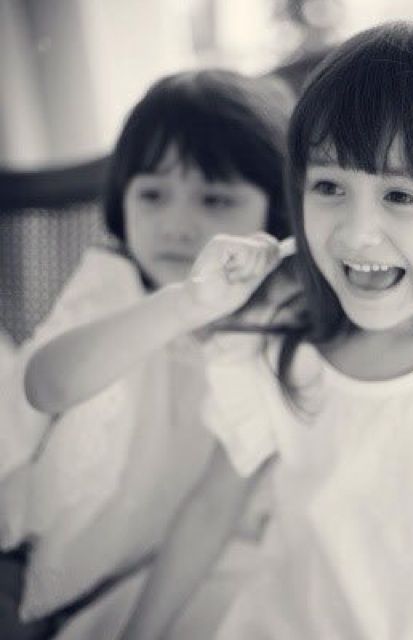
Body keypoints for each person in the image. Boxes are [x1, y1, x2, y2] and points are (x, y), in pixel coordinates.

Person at [28, 21, 413, 640]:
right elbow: (211, 510)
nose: (354, 233)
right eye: (330, 186)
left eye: (400, 196)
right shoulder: (278, 344)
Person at [2, 68, 293, 630]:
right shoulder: (112, 286)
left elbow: (218, 502)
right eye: (153, 195)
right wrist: (184, 304)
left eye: (215, 198)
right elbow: (46, 385)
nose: (176, 225)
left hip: (146, 568)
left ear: (274, 212)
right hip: (27, 557)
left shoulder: (269, 329)